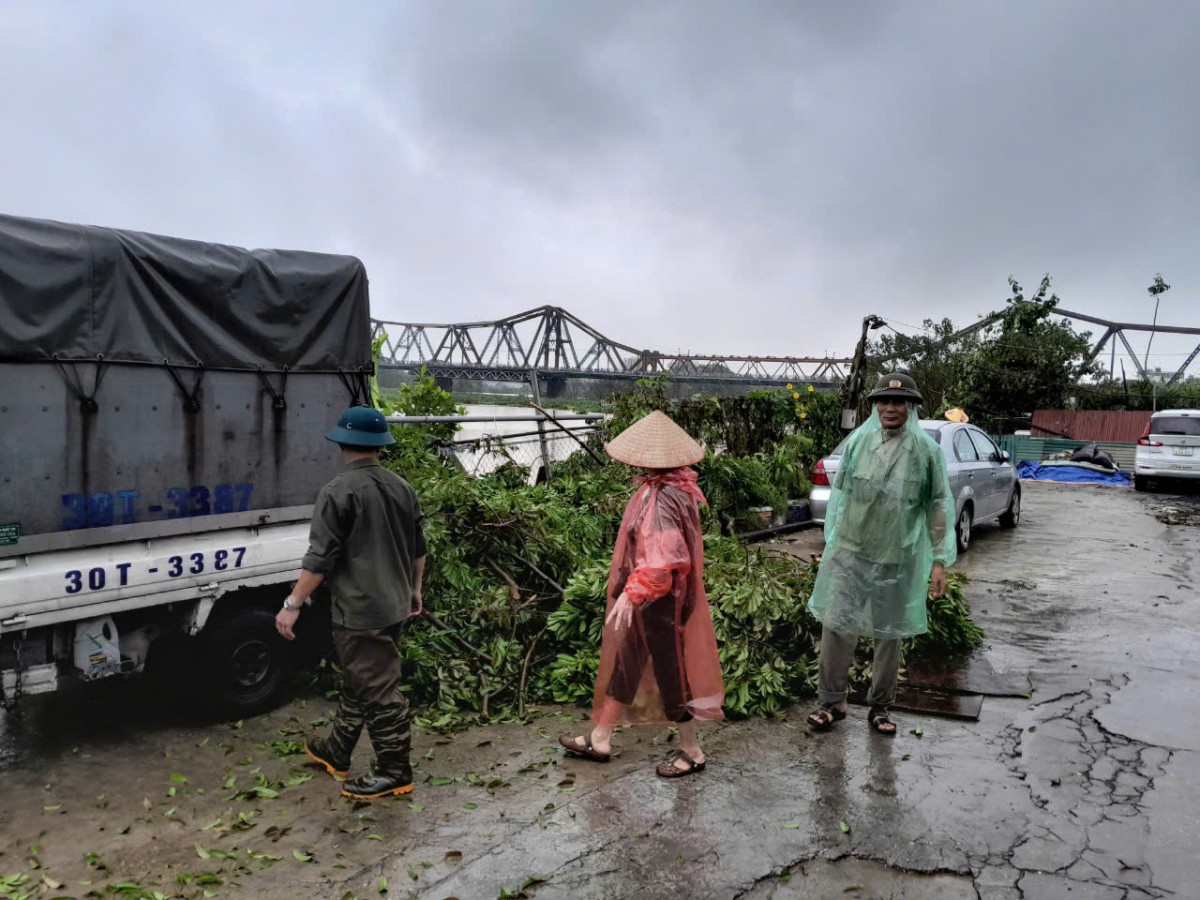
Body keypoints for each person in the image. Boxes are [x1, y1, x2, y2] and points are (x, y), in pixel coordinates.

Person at [559, 411, 725, 777]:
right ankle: (601, 737)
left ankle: (692, 750)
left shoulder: (664, 496)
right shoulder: (668, 488)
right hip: (654, 597)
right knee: (628, 661)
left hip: (661, 599)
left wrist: (632, 594)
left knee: (671, 671)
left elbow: (663, 559)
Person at [275, 406, 427, 800]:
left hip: (361, 613)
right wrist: (415, 590)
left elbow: (319, 561)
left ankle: (395, 772)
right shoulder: (402, 486)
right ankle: (337, 750)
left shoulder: (336, 492)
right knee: (360, 678)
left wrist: (291, 605)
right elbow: (419, 548)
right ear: (380, 446)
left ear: (342, 442)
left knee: (378, 689)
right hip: (394, 605)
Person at [806, 372, 956, 736]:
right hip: (851, 552)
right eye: (884, 401)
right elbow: (840, 499)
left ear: (912, 407)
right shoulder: (858, 444)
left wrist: (938, 561)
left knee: (890, 634)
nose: (891, 407)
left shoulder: (927, 453)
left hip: (897, 558)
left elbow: (938, 507)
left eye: (899, 402)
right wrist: (832, 548)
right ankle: (832, 703)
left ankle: (881, 707)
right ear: (874, 406)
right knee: (837, 626)